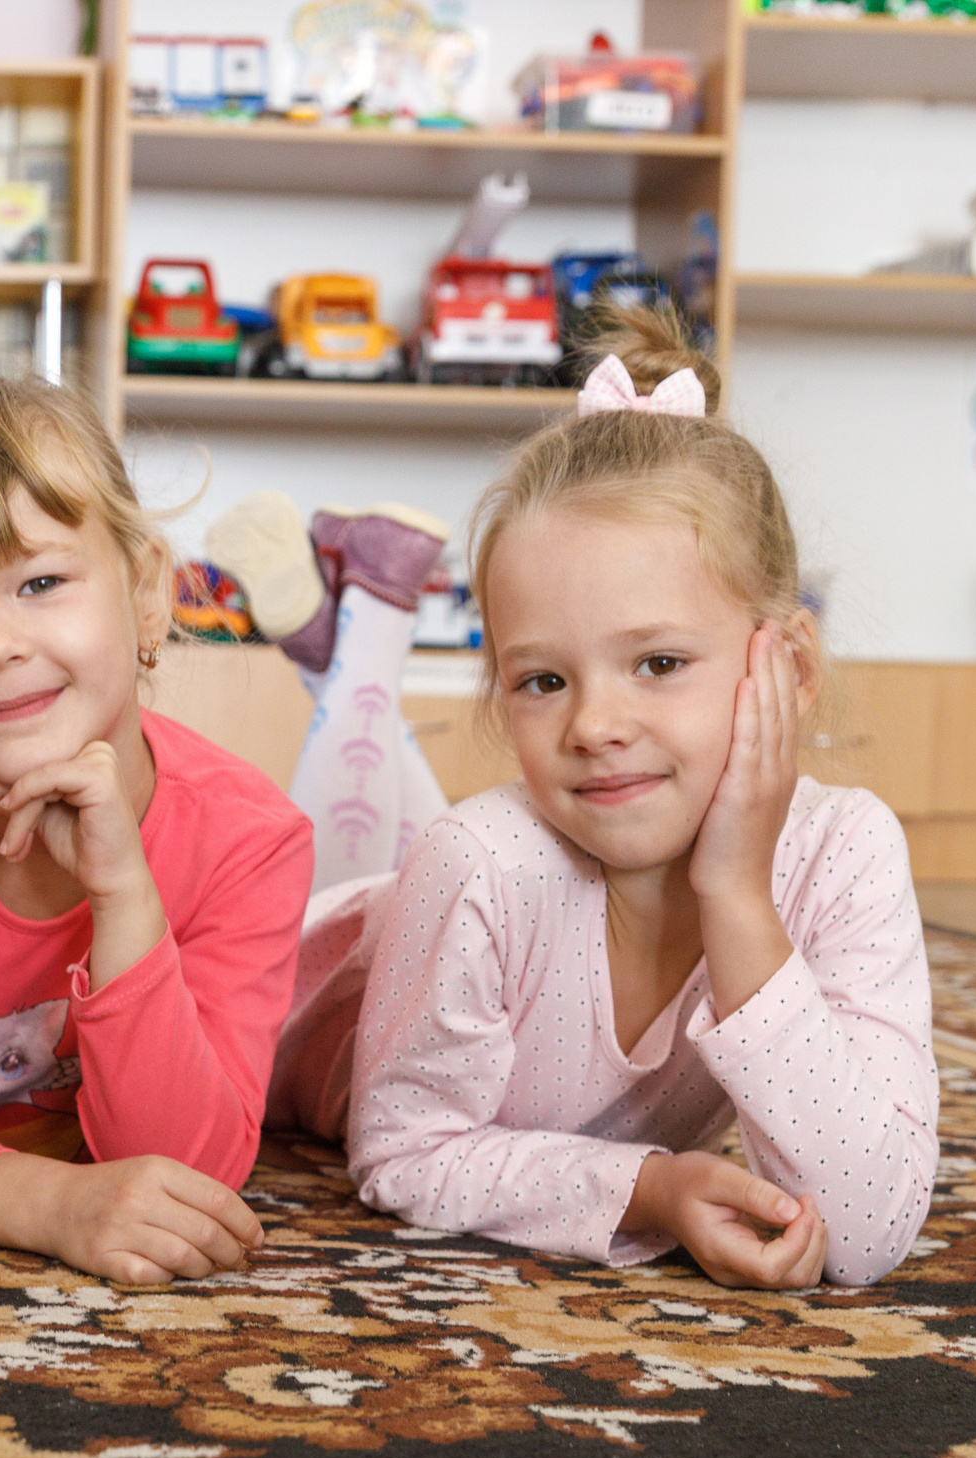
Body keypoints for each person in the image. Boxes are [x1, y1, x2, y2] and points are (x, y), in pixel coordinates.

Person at [269, 308, 938, 1290]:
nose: (594, 724)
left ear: (787, 664)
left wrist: (740, 903)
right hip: (234, 1005)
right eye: (542, 681)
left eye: (657, 662)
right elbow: (405, 1151)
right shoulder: (482, 863)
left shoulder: (844, 852)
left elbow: (868, 1230)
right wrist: (650, 1189)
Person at [0, 374, 313, 1286]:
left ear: (148, 595)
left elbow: (192, 1176)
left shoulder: (252, 838)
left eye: (39, 581)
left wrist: (123, 896)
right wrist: (55, 1206)